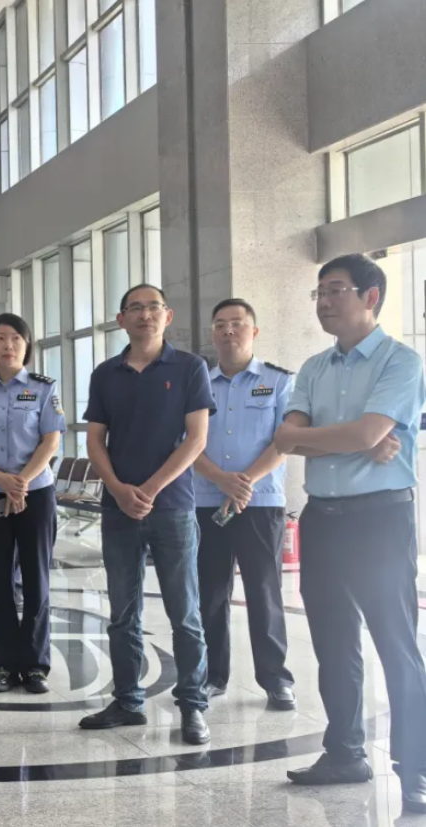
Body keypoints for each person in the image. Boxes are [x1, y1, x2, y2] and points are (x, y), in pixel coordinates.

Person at [277, 254, 426, 813]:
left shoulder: (401, 362)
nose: (323, 302)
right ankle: (344, 753)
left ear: (371, 296)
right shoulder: (314, 367)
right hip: (323, 518)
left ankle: (416, 768)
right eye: (318, 293)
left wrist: (346, 437)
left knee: (396, 645)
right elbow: (286, 438)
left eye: (335, 290)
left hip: (380, 520)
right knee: (333, 644)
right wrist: (357, 439)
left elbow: (363, 433)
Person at [78, 284, 214, 746]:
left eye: (153, 307)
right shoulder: (105, 373)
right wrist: (118, 490)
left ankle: (193, 706)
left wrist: (150, 489)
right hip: (118, 509)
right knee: (122, 612)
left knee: (184, 612)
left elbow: (196, 439)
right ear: (121, 320)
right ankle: (127, 701)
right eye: (134, 308)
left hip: (172, 507)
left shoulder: (190, 368)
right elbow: (95, 440)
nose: (144, 315)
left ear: (167, 315)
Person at [192, 299, 296, 710]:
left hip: (260, 502)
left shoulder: (278, 381)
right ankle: (211, 675)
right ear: (212, 334)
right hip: (207, 501)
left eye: (237, 323)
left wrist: (244, 481)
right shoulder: (198, 383)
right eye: (220, 324)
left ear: (254, 331)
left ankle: (275, 678)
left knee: (264, 590)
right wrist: (221, 479)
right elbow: (187, 442)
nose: (228, 331)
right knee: (210, 591)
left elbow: (285, 441)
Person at [0, 314, 64, 694]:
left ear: (27, 345)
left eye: (16, 338)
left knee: (36, 579)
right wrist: (3, 481)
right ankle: (4, 665)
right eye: (0, 338)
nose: (8, 345)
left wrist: (21, 482)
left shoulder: (44, 389)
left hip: (36, 493)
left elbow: (51, 440)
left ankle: (35, 665)